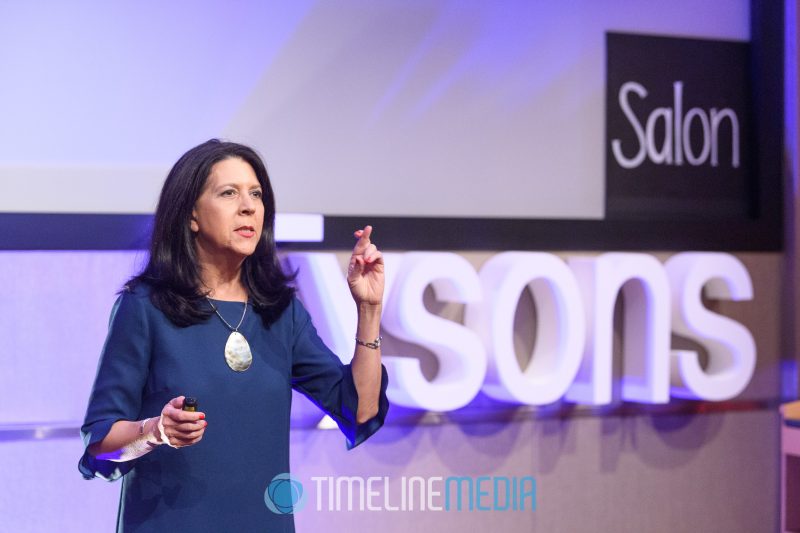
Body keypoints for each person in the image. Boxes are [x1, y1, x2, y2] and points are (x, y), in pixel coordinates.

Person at [79, 139, 389, 532]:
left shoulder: (280, 312)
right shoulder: (145, 307)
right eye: (229, 193)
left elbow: (359, 408)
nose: (248, 207)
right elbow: (101, 442)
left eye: (256, 194)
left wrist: (369, 309)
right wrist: (155, 431)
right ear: (191, 215)